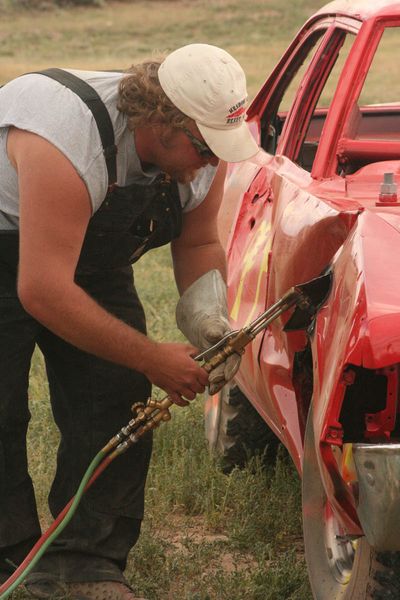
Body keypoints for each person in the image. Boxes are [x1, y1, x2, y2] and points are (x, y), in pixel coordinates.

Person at [0, 44, 259, 599]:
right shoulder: (67, 133)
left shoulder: (197, 151)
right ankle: (11, 560)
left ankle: (84, 565)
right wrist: (152, 355)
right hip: (14, 246)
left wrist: (210, 326)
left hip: (85, 254)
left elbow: (201, 238)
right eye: (204, 147)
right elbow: (42, 289)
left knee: (114, 397)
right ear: (162, 122)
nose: (213, 161)